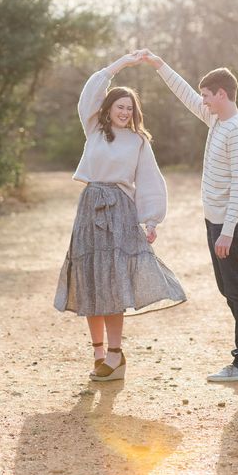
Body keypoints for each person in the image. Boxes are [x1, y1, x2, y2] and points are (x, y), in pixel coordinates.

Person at [54, 52, 186, 382]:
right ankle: (98, 353)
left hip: (121, 211)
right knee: (90, 278)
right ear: (109, 108)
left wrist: (151, 220)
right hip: (90, 206)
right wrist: (122, 64)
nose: (125, 112)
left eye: (130, 108)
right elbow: (90, 91)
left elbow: (150, 179)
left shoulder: (139, 141)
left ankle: (115, 355)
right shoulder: (94, 129)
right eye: (120, 106)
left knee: (112, 282)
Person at [138, 49, 238, 382]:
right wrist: (159, 65)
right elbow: (185, 95)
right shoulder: (217, 119)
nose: (203, 101)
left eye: (208, 96)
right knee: (231, 288)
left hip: (232, 224)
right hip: (219, 222)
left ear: (222, 95)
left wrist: (227, 231)